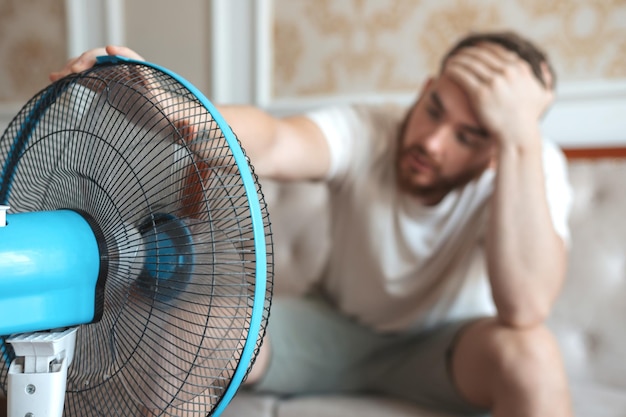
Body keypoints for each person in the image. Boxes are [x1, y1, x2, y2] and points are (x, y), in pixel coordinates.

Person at [52, 30, 574, 416]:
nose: (433, 142)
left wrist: (519, 137)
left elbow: (526, 307)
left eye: (470, 136)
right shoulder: (369, 130)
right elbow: (275, 140)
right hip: (333, 330)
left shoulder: (528, 161)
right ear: (425, 87)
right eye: (434, 109)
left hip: (452, 351)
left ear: (498, 146)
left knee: (531, 354)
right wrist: (170, 108)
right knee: (192, 325)